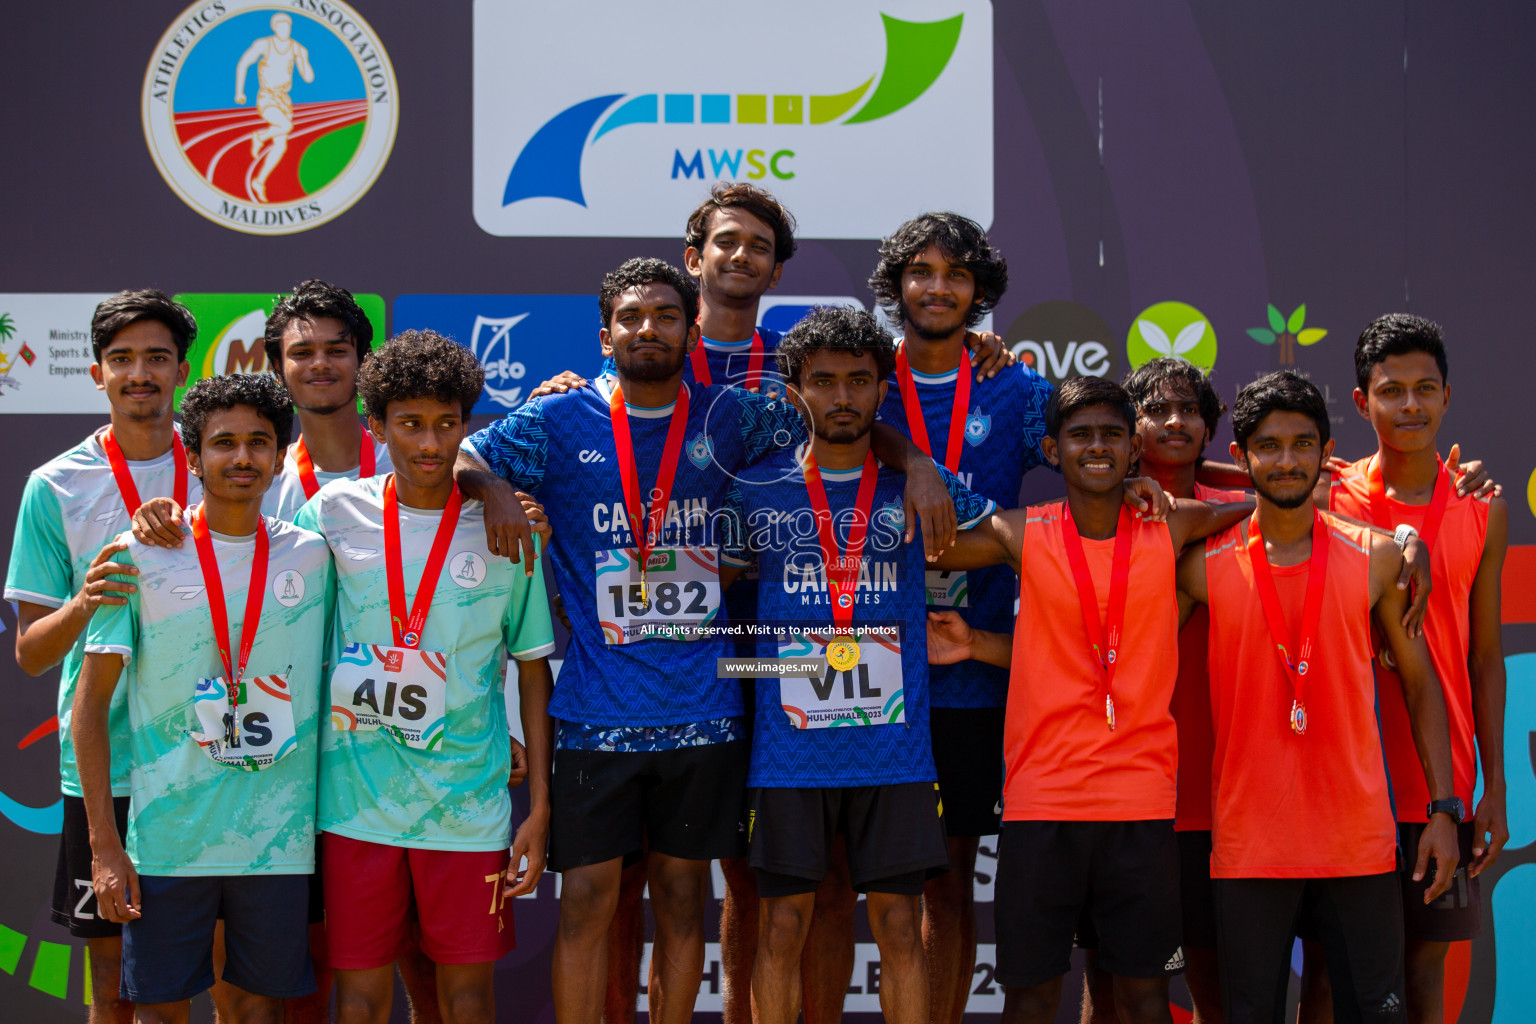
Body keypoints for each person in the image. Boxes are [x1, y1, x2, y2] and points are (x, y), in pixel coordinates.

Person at [455, 257, 959, 1024]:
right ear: (604, 335)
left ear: (692, 332)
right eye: (631, 317)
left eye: (664, 315)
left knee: (686, 898)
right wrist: (491, 485)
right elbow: (462, 457)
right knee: (589, 900)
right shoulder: (556, 422)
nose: (647, 329)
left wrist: (917, 462)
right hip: (595, 709)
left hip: (709, 707)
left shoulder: (735, 415)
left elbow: (843, 415)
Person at [922, 375, 1252, 1024]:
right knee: (1033, 997)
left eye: (1112, 434)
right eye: (1080, 435)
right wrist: (901, 460)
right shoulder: (1022, 534)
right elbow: (933, 542)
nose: (1096, 446)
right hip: (1041, 807)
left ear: (1135, 450)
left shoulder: (1172, 523)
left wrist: (1392, 533)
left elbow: (1261, 502)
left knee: (1142, 998)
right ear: (1051, 448)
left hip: (1142, 807)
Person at [717, 306, 997, 1024]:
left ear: (882, 391)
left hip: (895, 750)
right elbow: (695, 581)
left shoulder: (918, 491)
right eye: (824, 382)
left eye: (859, 382)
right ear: (794, 389)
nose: (842, 397)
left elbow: (1015, 538)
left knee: (901, 928)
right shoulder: (750, 489)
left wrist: (1128, 503)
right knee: (781, 928)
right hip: (788, 754)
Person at [1175, 370, 1461, 1024]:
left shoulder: (1381, 559)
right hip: (1250, 850)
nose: (1286, 460)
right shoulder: (1202, 567)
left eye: (1302, 444)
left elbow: (1421, 685)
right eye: (1268, 446)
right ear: (1242, 458)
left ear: (1324, 450)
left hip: (1357, 845)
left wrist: (1444, 807)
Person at [295, 330, 556, 1024]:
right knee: (358, 997)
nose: (431, 444)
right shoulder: (329, 515)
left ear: (467, 427)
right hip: (355, 806)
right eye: (409, 425)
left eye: (447, 425)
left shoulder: (507, 532)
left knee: (467, 998)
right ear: (375, 425)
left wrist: (540, 808)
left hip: (468, 807)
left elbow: (534, 667)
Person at [73, 373, 333, 1022]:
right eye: (223, 444)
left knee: (255, 1013)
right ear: (192, 459)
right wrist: (105, 846)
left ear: (280, 456)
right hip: (167, 842)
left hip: (275, 842)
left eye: (258, 443)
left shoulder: (314, 556)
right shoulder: (137, 555)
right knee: (161, 1013)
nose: (241, 458)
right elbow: (89, 709)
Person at [866, 212, 1056, 1024]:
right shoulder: (858, 376)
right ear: (896, 285)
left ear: (980, 291)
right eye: (921, 271)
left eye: (957, 273)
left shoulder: (1017, 389)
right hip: (860, 672)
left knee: (949, 879)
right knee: (850, 883)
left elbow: (1107, 452)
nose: (937, 287)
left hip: (970, 678)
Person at [1298, 317, 1508, 1024]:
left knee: (1422, 974)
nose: (1410, 406)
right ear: (1362, 403)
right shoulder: (1331, 497)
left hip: (1438, 788)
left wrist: (1495, 788)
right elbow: (1241, 475)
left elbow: (1484, 656)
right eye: (1392, 391)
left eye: (1424, 390)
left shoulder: (1484, 508)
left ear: (1448, 397)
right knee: (1326, 972)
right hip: (1342, 780)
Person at [5, 290, 200, 1024]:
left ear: (183, 369)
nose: (139, 374)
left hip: (213, 755)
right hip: (106, 760)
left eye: (156, 358)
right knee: (113, 969)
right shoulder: (55, 485)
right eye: (122, 360)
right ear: (96, 374)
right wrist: (84, 604)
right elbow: (29, 653)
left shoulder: (230, 461)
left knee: (214, 964)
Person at [234, 13, 315, 202]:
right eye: (281, 26)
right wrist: (239, 91)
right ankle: (259, 136)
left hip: (284, 100)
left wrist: (304, 58)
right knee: (286, 126)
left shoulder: (296, 48)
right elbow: (243, 63)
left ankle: (259, 182)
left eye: (288, 27)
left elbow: (309, 78)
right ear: (275, 27)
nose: (285, 30)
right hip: (267, 97)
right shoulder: (264, 44)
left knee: (280, 146)